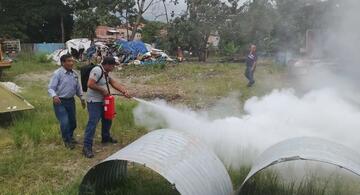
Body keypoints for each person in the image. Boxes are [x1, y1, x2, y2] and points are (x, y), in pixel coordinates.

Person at [83, 56, 131, 158]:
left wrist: (124, 91)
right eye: (113, 65)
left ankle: (105, 137)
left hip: (104, 101)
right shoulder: (97, 70)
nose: (114, 68)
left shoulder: (105, 72)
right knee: (93, 122)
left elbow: (113, 82)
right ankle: (86, 147)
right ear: (108, 64)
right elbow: (90, 84)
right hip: (94, 102)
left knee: (107, 119)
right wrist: (103, 90)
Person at [48, 54, 86, 149]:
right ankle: (67, 141)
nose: (71, 63)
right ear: (63, 63)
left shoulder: (74, 74)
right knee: (64, 122)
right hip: (60, 102)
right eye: (68, 61)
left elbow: (78, 88)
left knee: (73, 123)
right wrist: (54, 96)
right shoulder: (58, 74)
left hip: (70, 101)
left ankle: (70, 136)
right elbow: (51, 88)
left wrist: (81, 98)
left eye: (72, 61)